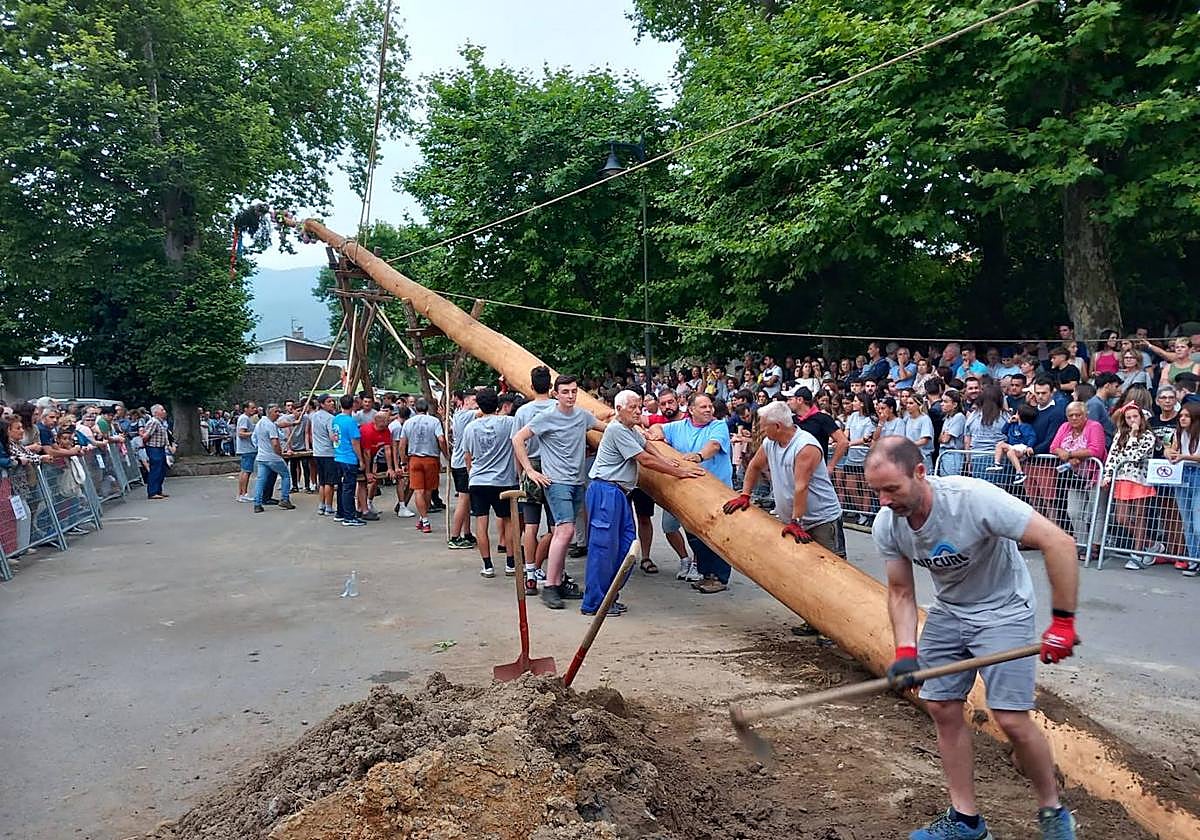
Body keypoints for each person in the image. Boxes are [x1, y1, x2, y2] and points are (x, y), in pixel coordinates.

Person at [865, 437, 1080, 840]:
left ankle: (1053, 811)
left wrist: (1063, 623)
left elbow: (1059, 542)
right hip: (950, 611)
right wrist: (906, 651)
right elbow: (900, 592)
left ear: (920, 473)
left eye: (892, 489)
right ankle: (966, 822)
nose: (883, 500)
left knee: (1011, 719)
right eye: (876, 490)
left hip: (1004, 609)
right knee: (942, 707)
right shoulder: (887, 524)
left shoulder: (972, 499)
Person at [582, 389, 705, 616]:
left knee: (626, 546)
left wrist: (665, 459)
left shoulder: (630, 429)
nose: (638, 411)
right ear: (619, 410)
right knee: (604, 548)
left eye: (640, 407)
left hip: (619, 493)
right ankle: (595, 602)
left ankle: (609, 597)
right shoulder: (617, 430)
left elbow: (648, 446)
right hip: (606, 491)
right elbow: (644, 459)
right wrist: (678, 472)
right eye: (633, 408)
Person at [514, 374, 604, 609]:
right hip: (556, 482)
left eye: (574, 391)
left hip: (576, 481)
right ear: (555, 393)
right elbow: (518, 439)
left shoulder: (582, 415)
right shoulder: (547, 417)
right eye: (565, 392)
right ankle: (550, 586)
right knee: (565, 531)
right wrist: (529, 471)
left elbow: (605, 427)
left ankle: (559, 580)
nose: (571, 396)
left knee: (563, 534)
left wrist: (638, 426)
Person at [725, 400, 846, 556]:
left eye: (763, 425)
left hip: (821, 521)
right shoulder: (770, 442)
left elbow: (801, 486)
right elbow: (754, 466)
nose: (760, 429)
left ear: (777, 426)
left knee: (832, 568)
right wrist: (745, 495)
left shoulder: (805, 446)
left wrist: (796, 521)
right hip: (793, 519)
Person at [645, 392, 734, 594]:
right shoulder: (679, 427)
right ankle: (706, 574)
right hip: (692, 493)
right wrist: (657, 432)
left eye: (710, 406)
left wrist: (699, 456)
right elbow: (657, 426)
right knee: (695, 534)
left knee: (717, 534)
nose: (709, 410)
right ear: (691, 410)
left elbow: (714, 445)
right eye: (703, 407)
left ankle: (719, 576)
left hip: (716, 492)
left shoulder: (718, 425)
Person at [461, 389, 519, 579]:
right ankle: (511, 563)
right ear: (498, 405)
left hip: (479, 479)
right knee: (509, 521)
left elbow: (467, 455)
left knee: (481, 521)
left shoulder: (471, 427)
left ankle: (487, 565)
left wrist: (471, 473)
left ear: (479, 404)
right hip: (504, 480)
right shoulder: (509, 423)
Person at [1102, 402, 1161, 570]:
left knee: (1140, 516)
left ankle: (1137, 553)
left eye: (1135, 416)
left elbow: (1133, 456)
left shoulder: (1148, 436)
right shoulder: (1120, 434)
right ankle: (1150, 544)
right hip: (1122, 478)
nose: (1132, 420)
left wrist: (1134, 435)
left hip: (1140, 479)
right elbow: (1113, 455)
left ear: (1141, 418)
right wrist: (1107, 475)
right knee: (1121, 517)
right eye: (1128, 417)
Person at [1049, 402, 1107, 562]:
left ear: (1085, 414)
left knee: (1097, 510)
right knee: (1073, 511)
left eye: (1078, 414)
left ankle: (1095, 545)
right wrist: (1063, 453)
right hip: (1074, 477)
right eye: (1071, 415)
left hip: (1095, 474)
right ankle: (1082, 543)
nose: (1074, 418)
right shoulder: (1065, 427)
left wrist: (1071, 454)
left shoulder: (1094, 426)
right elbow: (1053, 446)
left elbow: (1096, 450)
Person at [396, 397, 448, 534]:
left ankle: (423, 518)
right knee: (428, 490)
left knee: (418, 490)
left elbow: (402, 445)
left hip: (414, 459)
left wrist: (403, 461)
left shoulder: (408, 423)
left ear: (416, 409)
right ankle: (424, 518)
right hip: (431, 458)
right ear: (427, 408)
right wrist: (446, 455)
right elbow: (441, 439)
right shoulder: (434, 421)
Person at [1165, 402, 1200, 576]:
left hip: (1197, 475)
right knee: (1187, 522)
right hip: (1182, 475)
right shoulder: (1178, 433)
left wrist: (1184, 456)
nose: (1183, 418)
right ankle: (1194, 559)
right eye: (1181, 416)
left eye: (1186, 416)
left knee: (1197, 523)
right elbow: (1170, 448)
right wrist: (1169, 453)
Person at [447, 389, 478, 547]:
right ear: (466, 401)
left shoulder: (460, 414)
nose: (477, 403)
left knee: (466, 501)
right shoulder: (467, 414)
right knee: (463, 499)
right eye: (474, 400)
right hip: (462, 464)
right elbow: (487, 410)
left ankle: (467, 532)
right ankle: (454, 536)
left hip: (457, 462)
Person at [251, 405, 296, 513]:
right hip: (272, 457)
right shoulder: (270, 425)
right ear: (269, 412)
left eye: (279, 411)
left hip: (261, 457)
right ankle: (285, 499)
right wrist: (280, 454)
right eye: (276, 411)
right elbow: (275, 443)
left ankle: (257, 504)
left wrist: (293, 423)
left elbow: (280, 424)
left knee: (260, 480)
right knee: (285, 475)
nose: (278, 413)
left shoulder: (260, 423)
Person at [331, 394, 365, 527]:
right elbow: (355, 442)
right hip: (348, 457)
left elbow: (333, 435)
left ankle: (341, 512)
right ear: (353, 405)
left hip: (338, 455)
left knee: (341, 487)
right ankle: (349, 516)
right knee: (349, 488)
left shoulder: (336, 419)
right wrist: (361, 459)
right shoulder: (350, 422)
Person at [987, 402, 1039, 485]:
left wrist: (1029, 446)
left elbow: (1032, 437)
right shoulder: (1013, 424)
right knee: (1000, 444)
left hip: (1022, 447)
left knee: (1010, 452)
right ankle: (997, 464)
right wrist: (1009, 422)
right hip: (1013, 446)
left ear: (1019, 414)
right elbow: (1003, 431)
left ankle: (1020, 473)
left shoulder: (1026, 426)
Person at [309, 395, 338, 517]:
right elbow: (332, 437)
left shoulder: (314, 416)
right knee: (329, 482)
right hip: (328, 452)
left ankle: (321, 505)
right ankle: (329, 506)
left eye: (332, 401)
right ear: (322, 404)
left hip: (318, 452)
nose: (332, 403)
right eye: (329, 401)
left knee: (322, 481)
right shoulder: (330, 418)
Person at [141, 404, 171, 500]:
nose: (164, 411)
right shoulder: (153, 422)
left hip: (160, 447)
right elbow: (146, 435)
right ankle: (152, 492)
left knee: (162, 469)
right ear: (156, 412)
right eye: (162, 410)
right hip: (154, 448)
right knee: (155, 469)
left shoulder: (160, 422)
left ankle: (158, 490)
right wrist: (147, 445)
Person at [234, 401, 258, 503]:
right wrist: (254, 433)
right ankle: (243, 493)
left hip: (248, 449)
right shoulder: (244, 418)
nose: (254, 410)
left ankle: (242, 493)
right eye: (252, 408)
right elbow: (241, 433)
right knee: (246, 471)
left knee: (246, 471)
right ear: (246, 409)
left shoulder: (247, 418)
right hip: (247, 449)